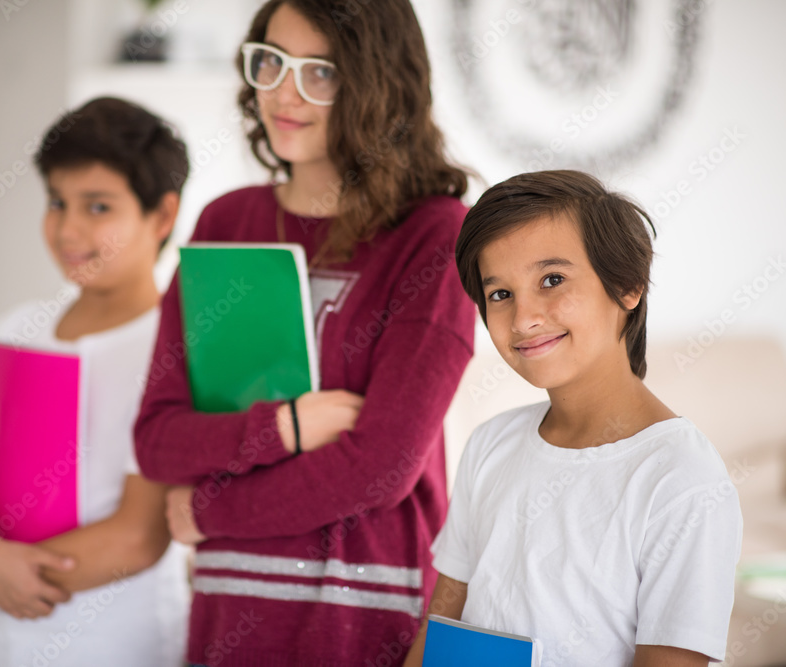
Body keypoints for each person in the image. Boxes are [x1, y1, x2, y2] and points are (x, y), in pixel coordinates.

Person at [133, 1, 476, 664]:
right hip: (230, 604)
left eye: (321, 72)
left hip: (366, 609)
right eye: (272, 63)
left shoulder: (436, 236)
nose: (285, 94)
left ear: (378, 85)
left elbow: (381, 470)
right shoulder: (225, 223)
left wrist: (210, 512)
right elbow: (158, 441)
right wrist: (285, 426)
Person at [403, 170, 742, 666]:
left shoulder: (682, 479)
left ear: (627, 285)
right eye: (500, 295)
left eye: (552, 280)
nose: (523, 319)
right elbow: (443, 624)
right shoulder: (489, 445)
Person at [0, 97, 191, 667]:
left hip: (115, 639)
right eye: (56, 202)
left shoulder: (175, 346)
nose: (68, 228)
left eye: (98, 207)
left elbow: (138, 535)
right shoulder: (16, 329)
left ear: (163, 217)